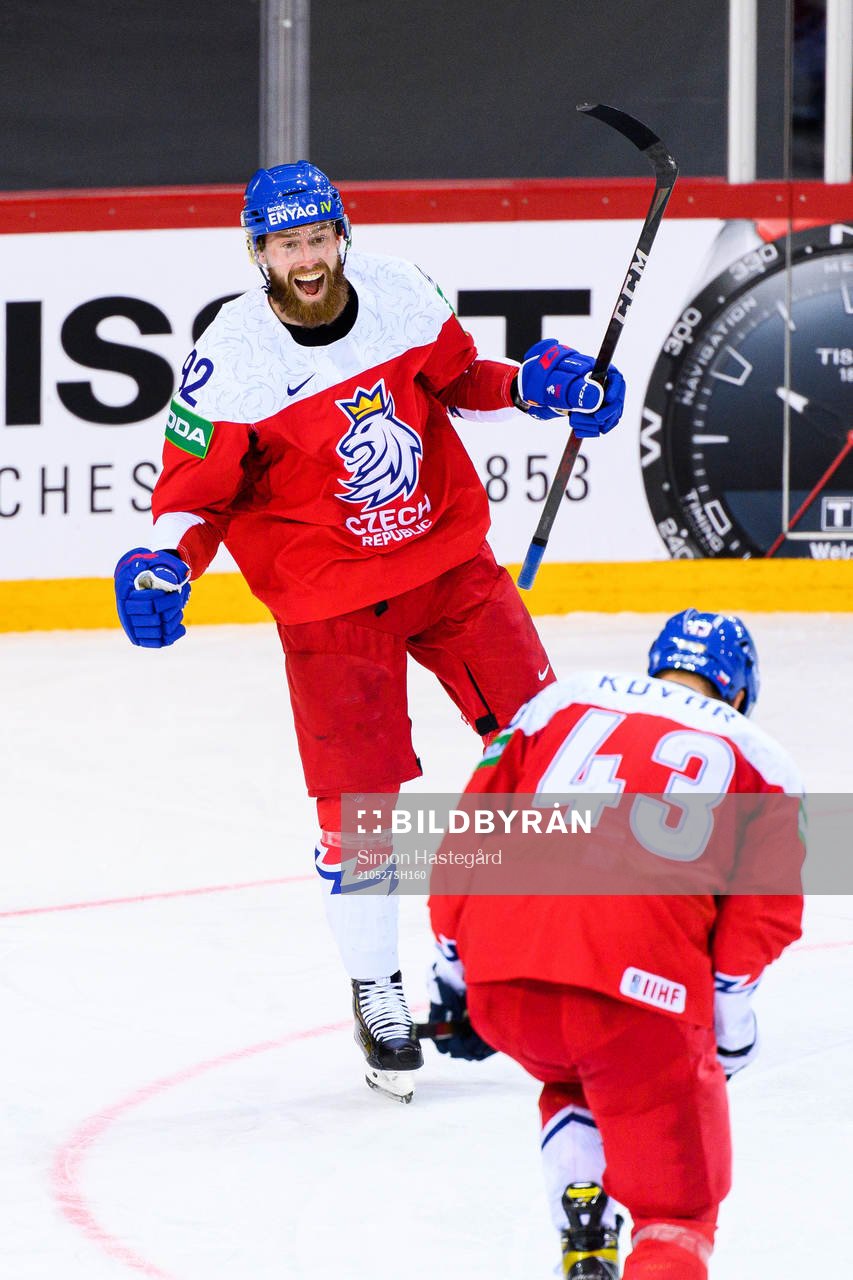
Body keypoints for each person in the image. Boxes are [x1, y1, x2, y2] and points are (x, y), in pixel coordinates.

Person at [112, 161, 626, 1102]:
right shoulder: (231, 358)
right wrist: (162, 565)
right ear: (258, 253)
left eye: (317, 238)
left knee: (547, 753)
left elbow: (460, 378)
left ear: (341, 235)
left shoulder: (399, 290)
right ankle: (377, 988)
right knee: (362, 819)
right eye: (285, 245)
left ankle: (515, 959)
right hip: (329, 605)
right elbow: (193, 499)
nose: (306, 260)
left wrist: (536, 387)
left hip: (450, 568)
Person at [427, 609, 804, 1278]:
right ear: (741, 689)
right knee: (677, 1213)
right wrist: (730, 1033)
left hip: (504, 979)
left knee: (571, 1068)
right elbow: (758, 923)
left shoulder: (563, 701)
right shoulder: (766, 762)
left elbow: (469, 834)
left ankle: (586, 1227)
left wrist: (452, 978)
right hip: (636, 1005)